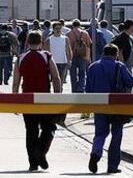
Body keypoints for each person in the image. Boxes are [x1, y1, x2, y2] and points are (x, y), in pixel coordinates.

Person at [12, 31, 61, 171]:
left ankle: (33, 163)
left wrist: (15, 101)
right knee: (49, 127)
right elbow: (56, 77)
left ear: (27, 42)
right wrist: (58, 96)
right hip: (45, 99)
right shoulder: (46, 56)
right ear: (41, 42)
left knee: (31, 131)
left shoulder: (21, 58)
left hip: (27, 99)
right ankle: (41, 151)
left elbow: (16, 82)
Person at [85, 44, 133, 174]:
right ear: (116, 54)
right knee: (116, 135)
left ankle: (95, 153)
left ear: (103, 53)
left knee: (100, 133)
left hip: (99, 105)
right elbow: (131, 81)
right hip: (116, 106)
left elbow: (88, 88)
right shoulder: (119, 66)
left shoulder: (93, 67)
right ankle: (112, 166)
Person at [44, 21, 72, 88]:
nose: (58, 30)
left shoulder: (65, 38)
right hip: (53, 63)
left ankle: (59, 94)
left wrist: (69, 60)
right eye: (56, 28)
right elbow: (46, 52)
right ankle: (56, 94)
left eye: (59, 28)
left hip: (63, 62)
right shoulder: (49, 40)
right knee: (55, 80)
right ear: (53, 29)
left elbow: (68, 50)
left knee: (61, 81)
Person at [67, 19, 92, 93]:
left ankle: (74, 89)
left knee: (73, 74)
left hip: (73, 56)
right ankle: (80, 88)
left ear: (72, 25)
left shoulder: (69, 33)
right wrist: (88, 57)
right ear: (79, 25)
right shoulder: (85, 33)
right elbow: (88, 45)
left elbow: (67, 47)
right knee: (82, 73)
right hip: (83, 56)